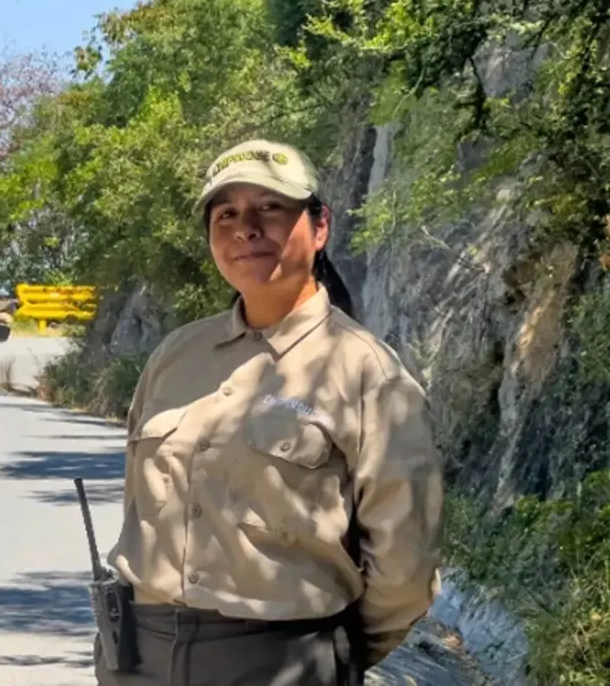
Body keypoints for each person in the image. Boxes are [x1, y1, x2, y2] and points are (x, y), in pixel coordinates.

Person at [96, 139, 445, 686]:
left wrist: (329, 653)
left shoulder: (366, 372)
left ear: (320, 224)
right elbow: (139, 507)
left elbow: (405, 564)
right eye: (227, 214)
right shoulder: (175, 356)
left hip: (280, 662)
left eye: (270, 208)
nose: (246, 228)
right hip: (141, 656)